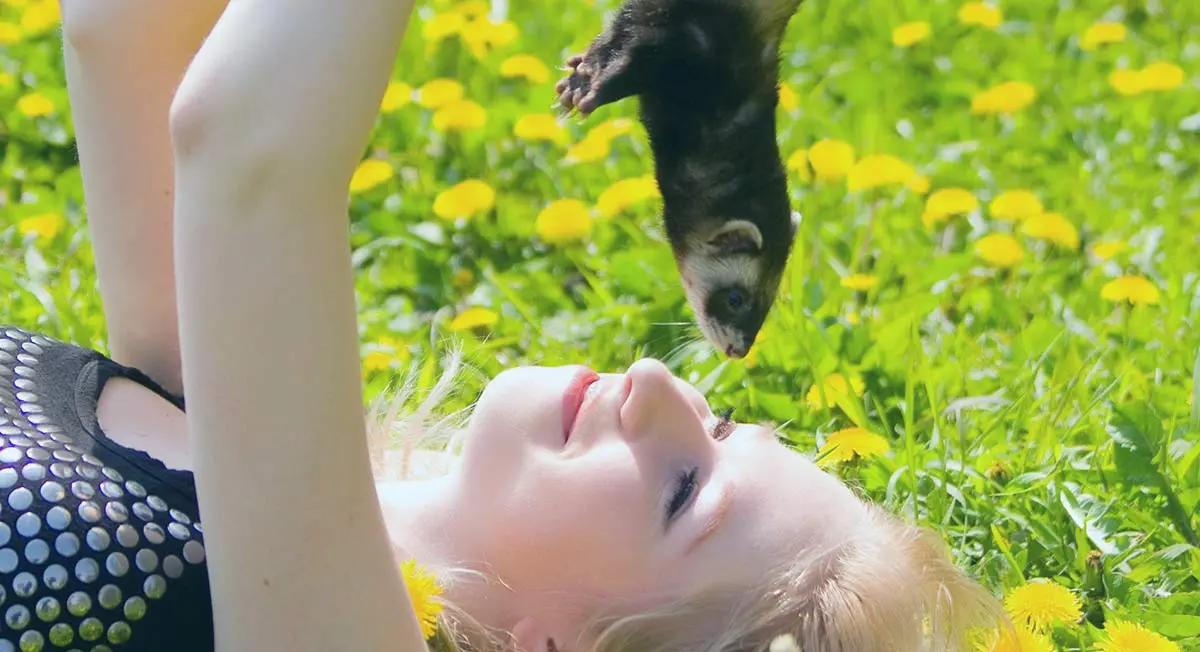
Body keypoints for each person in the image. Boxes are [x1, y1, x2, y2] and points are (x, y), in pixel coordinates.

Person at [0, 0, 1007, 650]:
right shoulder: (228, 440)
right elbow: (122, 29)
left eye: (684, 491)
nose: (659, 384)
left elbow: (248, 149)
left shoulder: (314, 630)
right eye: (724, 427)